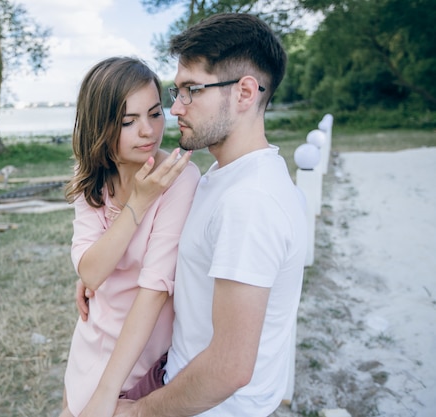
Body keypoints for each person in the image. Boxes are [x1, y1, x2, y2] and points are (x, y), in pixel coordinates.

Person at [112, 13, 308, 416]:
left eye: (191, 90)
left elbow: (230, 367)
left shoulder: (251, 203)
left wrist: (138, 413)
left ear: (244, 93)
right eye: (176, 90)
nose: (175, 107)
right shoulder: (226, 176)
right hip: (179, 376)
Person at [59, 56, 200, 417]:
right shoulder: (92, 178)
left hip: (138, 359)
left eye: (155, 113)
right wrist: (138, 202)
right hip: (91, 339)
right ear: (101, 126)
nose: (149, 131)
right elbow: (90, 272)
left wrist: (107, 394)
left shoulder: (179, 178)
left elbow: (154, 292)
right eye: (128, 121)